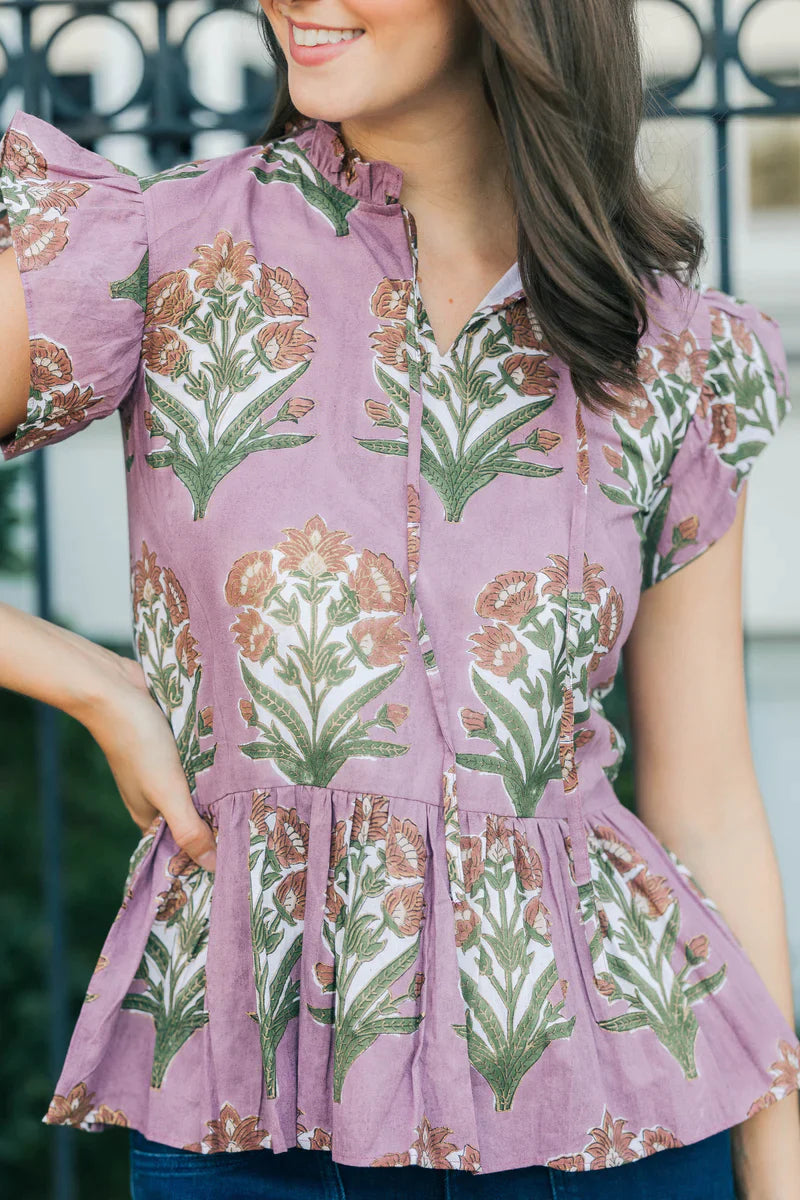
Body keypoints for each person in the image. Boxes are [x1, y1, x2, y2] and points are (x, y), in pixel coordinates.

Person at [0, 1, 798, 1197]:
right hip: (254, 1109)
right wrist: (92, 683)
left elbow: (708, 804)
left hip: (618, 1111)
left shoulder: (669, 349)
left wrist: (776, 1167)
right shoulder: (158, 248)